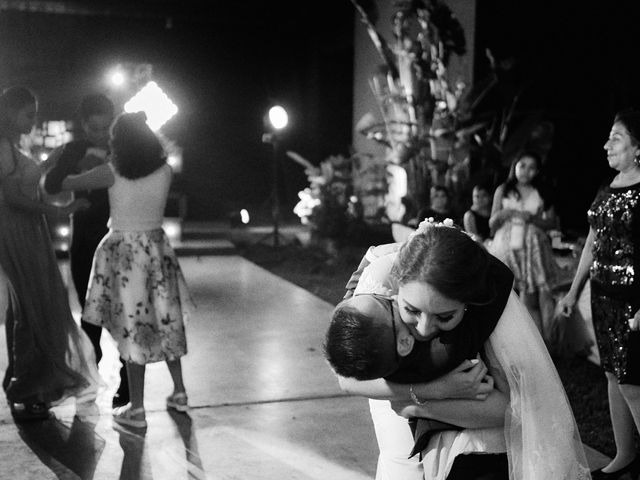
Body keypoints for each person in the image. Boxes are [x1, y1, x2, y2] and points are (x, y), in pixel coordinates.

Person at [331, 221, 591, 479]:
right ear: (395, 289)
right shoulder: (379, 281)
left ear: (469, 303)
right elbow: (348, 380)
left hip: (454, 426)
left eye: (444, 317)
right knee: (400, 462)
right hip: (387, 390)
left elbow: (516, 408)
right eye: (411, 310)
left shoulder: (485, 305)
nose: (423, 329)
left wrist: (418, 407)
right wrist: (435, 389)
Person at [60, 111, 194, 429]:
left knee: (133, 326)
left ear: (117, 143)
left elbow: (63, 183)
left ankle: (137, 408)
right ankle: (179, 392)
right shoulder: (164, 171)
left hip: (123, 254)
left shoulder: (109, 172)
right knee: (166, 320)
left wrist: (71, 158)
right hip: (157, 249)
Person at [0, 86, 100, 420]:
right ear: (11, 113)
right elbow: (12, 198)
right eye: (29, 114)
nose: (34, 120)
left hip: (28, 230)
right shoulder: (2, 146)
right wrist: (57, 211)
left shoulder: (12, 147)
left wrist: (48, 162)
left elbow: (23, 181)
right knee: (31, 310)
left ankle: (22, 381)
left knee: (27, 309)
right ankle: (26, 387)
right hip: (16, 231)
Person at [558, 109, 640, 479]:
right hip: (602, 295)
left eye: (616, 137)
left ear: (638, 148)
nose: (606, 144)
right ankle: (625, 454)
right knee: (611, 375)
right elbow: (592, 243)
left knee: (632, 380)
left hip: (633, 301)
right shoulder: (607, 188)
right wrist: (574, 292)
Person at [44, 94, 130, 408]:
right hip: (83, 238)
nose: (100, 134)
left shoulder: (121, 149)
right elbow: (52, 183)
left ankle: (127, 379)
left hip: (115, 236)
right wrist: (75, 184)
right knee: (88, 308)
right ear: (83, 125)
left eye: (106, 128)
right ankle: (90, 373)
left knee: (121, 309)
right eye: (94, 128)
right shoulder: (74, 149)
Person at [488, 150, 561, 344]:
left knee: (538, 294)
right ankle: (518, 342)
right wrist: (506, 213)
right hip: (507, 246)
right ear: (515, 166)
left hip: (533, 246)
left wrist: (533, 218)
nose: (526, 171)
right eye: (523, 165)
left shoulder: (542, 191)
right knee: (510, 295)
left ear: (537, 171)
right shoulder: (503, 189)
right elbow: (492, 224)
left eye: (532, 168)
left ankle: (545, 343)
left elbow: (552, 223)